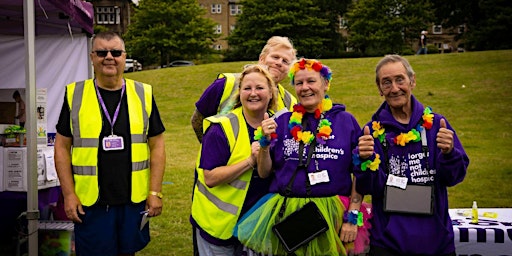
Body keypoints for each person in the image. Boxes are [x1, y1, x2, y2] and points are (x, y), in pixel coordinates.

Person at [235, 58, 371, 256]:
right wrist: (264, 144)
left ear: (325, 84)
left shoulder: (345, 121)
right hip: (288, 215)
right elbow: (264, 173)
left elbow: (360, 172)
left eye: (311, 81)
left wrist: (352, 216)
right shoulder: (282, 122)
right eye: (299, 83)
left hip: (332, 214)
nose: (305, 88)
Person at [54, 32, 166, 256]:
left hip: (132, 200)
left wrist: (155, 192)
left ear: (124, 57)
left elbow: (157, 145)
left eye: (115, 52)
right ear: (92, 57)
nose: (109, 57)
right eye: (102, 52)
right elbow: (61, 147)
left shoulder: (143, 93)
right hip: (91, 203)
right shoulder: (75, 94)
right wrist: (69, 195)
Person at [353, 54, 469, 255]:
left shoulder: (436, 125)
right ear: (380, 89)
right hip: (388, 244)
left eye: (400, 79)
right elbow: (370, 187)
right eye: (386, 83)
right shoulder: (372, 132)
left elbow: (454, 177)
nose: (395, 88)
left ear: (412, 81)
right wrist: (365, 161)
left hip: (436, 243)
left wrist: (449, 153)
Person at [190, 64, 278, 255]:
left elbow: (267, 173)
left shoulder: (278, 125)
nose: (253, 93)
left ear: (271, 93)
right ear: (240, 93)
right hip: (218, 226)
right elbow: (211, 178)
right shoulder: (221, 127)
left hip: (256, 225)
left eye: (260, 88)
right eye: (247, 88)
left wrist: (264, 149)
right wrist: (249, 161)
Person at [191, 36, 298, 143]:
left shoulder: (290, 102)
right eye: (275, 57)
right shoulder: (226, 84)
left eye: (285, 61)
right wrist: (210, 149)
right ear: (262, 58)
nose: (279, 63)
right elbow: (197, 121)